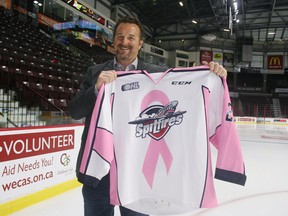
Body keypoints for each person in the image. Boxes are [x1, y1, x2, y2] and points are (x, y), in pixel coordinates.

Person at [70, 16, 227, 216]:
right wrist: (95, 88)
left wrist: (213, 74)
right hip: (100, 169)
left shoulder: (158, 73)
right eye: (120, 36)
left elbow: (189, 88)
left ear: (140, 43)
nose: (124, 42)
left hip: (137, 169)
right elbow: (75, 111)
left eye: (131, 37)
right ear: (113, 40)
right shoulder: (95, 72)